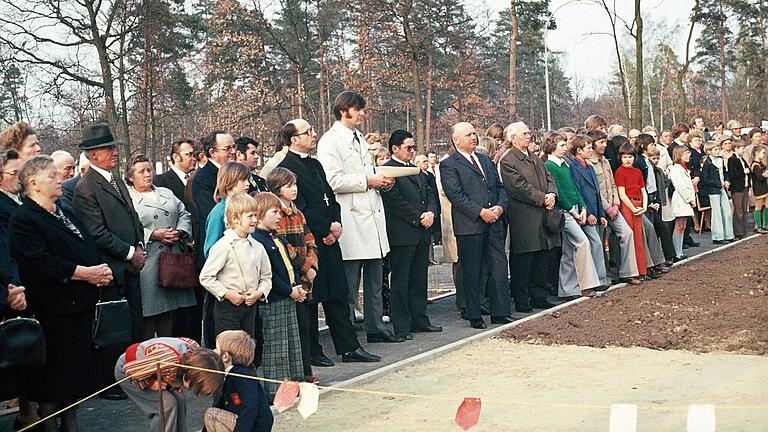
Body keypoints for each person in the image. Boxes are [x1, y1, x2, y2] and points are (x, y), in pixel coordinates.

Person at [10, 155, 114, 431]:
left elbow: (86, 246)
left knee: (75, 375)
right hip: (52, 310)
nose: (60, 180)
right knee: (53, 377)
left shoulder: (64, 212)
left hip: (79, 306)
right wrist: (85, 273)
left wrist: (99, 270)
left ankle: (71, 423)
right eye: (52, 176)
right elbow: (41, 261)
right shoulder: (24, 219)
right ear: (33, 183)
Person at [276, 118, 380, 365]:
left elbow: (330, 198)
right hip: (309, 240)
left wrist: (336, 222)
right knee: (312, 298)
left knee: (337, 294)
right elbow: (298, 206)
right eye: (308, 132)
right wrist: (325, 227)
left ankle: (349, 347)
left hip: (330, 238)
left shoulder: (315, 164)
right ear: (294, 139)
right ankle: (313, 350)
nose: (314, 134)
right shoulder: (285, 167)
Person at [316, 91, 401, 343]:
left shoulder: (359, 138)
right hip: (351, 218)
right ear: (344, 110)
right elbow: (333, 179)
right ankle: (347, 333)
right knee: (349, 283)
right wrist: (368, 180)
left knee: (375, 280)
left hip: (371, 215)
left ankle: (376, 328)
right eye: (358, 109)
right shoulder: (330, 141)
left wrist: (380, 179)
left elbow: (364, 170)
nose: (362, 113)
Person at [72, 122, 145, 399]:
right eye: (107, 148)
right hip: (110, 270)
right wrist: (130, 253)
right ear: (92, 154)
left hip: (130, 267)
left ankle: (132, 378)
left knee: (134, 326)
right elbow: (96, 233)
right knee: (114, 329)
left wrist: (139, 246)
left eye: (114, 147)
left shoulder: (116, 181)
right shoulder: (86, 187)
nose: (114, 152)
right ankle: (112, 385)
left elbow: (133, 219)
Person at [440, 122, 513, 328]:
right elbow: (456, 195)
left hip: (494, 222)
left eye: (474, 133)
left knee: (498, 267)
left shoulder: (484, 159)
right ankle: (474, 315)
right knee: (472, 271)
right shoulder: (449, 164)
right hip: (470, 225)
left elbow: (500, 187)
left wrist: (499, 207)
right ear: (456, 140)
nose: (474, 137)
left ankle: (500, 312)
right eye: (468, 134)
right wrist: (481, 212)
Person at [126, 154, 196, 339]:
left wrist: (180, 232)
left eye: (149, 170)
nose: (147, 175)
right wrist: (153, 234)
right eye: (141, 171)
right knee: (149, 315)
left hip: (173, 260)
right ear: (131, 176)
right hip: (149, 262)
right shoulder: (128, 198)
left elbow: (184, 213)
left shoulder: (166, 192)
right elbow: (127, 225)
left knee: (170, 316)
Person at [380, 130, 442, 339]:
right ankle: (402, 325)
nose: (412, 151)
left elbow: (429, 192)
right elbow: (395, 201)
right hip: (403, 232)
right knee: (401, 280)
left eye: (413, 147)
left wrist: (432, 212)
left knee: (418, 279)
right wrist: (418, 217)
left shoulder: (415, 169)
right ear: (395, 148)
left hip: (421, 230)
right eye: (408, 148)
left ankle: (419, 319)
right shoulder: (389, 170)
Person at [250, 192, 306, 399]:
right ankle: (276, 390)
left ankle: (293, 384)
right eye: (274, 212)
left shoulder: (277, 238)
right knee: (277, 348)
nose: (278, 217)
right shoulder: (258, 240)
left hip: (289, 296)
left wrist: (297, 285)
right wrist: (289, 290)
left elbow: (288, 266)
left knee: (292, 343)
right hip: (274, 300)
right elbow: (270, 274)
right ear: (261, 213)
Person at [499, 122, 560, 311]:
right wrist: (543, 198)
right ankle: (522, 299)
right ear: (513, 137)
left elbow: (549, 177)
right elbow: (518, 187)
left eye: (528, 132)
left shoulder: (534, 157)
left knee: (542, 256)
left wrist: (552, 195)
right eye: (524, 133)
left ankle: (539, 296)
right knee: (524, 259)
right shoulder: (508, 160)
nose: (529, 136)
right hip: (524, 216)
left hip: (542, 214)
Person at [267, 167, 319, 383]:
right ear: (278, 189)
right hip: (293, 276)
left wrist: (313, 263)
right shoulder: (276, 214)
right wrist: (306, 266)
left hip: (307, 276)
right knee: (294, 330)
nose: (294, 189)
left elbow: (309, 239)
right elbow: (285, 247)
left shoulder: (298, 212)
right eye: (289, 185)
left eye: (295, 184)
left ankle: (307, 371)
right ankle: (299, 374)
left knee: (306, 327)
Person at [200, 193, 272, 339]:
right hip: (228, 307)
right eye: (250, 216)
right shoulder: (223, 246)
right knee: (230, 349)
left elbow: (266, 276)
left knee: (248, 347)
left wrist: (259, 293)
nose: (254, 220)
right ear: (235, 218)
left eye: (256, 215)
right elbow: (206, 277)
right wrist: (227, 294)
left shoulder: (258, 246)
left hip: (250, 306)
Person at [116, 339, 224, 432]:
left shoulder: (194, 354)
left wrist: (172, 380)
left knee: (179, 399)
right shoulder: (169, 359)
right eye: (192, 386)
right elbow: (129, 366)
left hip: (157, 371)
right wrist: (150, 383)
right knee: (166, 404)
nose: (190, 389)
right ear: (190, 374)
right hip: (131, 371)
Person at [154, 138, 203, 340]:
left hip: (193, 251)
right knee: (178, 314)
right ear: (175, 157)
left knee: (194, 308)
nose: (193, 158)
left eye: (193, 154)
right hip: (174, 254)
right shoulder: (161, 182)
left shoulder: (197, 180)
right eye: (188, 154)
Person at [543, 132, 602, 298]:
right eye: (561, 145)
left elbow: (574, 188)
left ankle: (568, 288)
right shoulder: (550, 165)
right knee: (582, 243)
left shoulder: (564, 164)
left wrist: (582, 207)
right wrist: (573, 211)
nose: (564, 148)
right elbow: (559, 191)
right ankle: (586, 284)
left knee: (569, 251)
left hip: (576, 209)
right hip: (564, 212)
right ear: (552, 146)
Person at [587, 130, 641, 285]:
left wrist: (616, 204)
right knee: (599, 242)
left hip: (613, 207)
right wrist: (608, 208)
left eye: (605, 141)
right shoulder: (590, 163)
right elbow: (596, 189)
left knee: (627, 233)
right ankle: (602, 276)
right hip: (600, 209)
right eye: (601, 142)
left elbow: (612, 185)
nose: (605, 145)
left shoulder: (605, 161)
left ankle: (628, 272)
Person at [205, 331, 273, 432]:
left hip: (256, 426)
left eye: (217, 349)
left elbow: (250, 407)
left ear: (225, 357)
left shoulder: (240, 376)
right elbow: (220, 405)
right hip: (247, 422)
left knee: (211, 415)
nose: (214, 351)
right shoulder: (233, 373)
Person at [568, 134, 610, 289]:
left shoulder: (589, 167)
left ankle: (599, 277)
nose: (591, 150)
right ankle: (598, 279)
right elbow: (579, 191)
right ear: (579, 150)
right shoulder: (574, 167)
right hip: (586, 213)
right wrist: (589, 213)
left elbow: (597, 192)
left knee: (597, 243)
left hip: (595, 211)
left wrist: (601, 214)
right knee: (596, 244)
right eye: (588, 148)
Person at [613, 142, 648, 276]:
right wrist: (633, 208)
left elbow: (643, 190)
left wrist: (644, 206)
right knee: (631, 238)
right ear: (620, 158)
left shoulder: (637, 171)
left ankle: (641, 270)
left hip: (639, 206)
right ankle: (632, 271)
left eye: (630, 157)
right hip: (628, 207)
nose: (628, 160)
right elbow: (622, 194)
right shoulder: (620, 172)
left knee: (639, 239)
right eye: (625, 157)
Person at [203, 162, 252, 256]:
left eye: (248, 179)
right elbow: (211, 249)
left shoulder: (247, 207)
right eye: (242, 180)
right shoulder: (219, 211)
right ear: (228, 181)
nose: (247, 184)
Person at [699, 141, 734, 244]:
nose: (717, 151)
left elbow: (725, 172)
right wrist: (719, 183)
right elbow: (706, 179)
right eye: (715, 149)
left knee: (726, 211)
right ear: (709, 152)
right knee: (717, 213)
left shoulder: (720, 160)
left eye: (718, 149)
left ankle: (728, 234)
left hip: (722, 189)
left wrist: (727, 180)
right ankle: (717, 236)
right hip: (713, 191)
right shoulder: (708, 163)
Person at [668, 146, 697, 258]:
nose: (688, 155)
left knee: (683, 226)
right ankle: (677, 253)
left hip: (685, 199)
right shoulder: (676, 169)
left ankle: (679, 252)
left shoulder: (683, 168)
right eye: (685, 153)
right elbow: (681, 187)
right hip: (681, 200)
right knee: (679, 225)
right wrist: (689, 200)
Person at [726, 138, 750, 239]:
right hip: (737, 188)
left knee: (744, 210)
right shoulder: (732, 159)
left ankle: (743, 231)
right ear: (736, 148)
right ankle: (738, 232)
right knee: (738, 211)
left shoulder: (742, 159)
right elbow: (733, 174)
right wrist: (744, 171)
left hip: (744, 187)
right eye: (742, 148)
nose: (743, 150)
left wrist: (748, 188)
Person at [750, 145, 768, 234]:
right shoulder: (755, 165)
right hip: (758, 188)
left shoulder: (761, 163)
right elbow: (760, 177)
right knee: (758, 207)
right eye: (763, 153)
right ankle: (759, 226)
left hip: (764, 187)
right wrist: (765, 174)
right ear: (757, 153)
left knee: (767, 205)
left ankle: (765, 224)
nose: (764, 155)